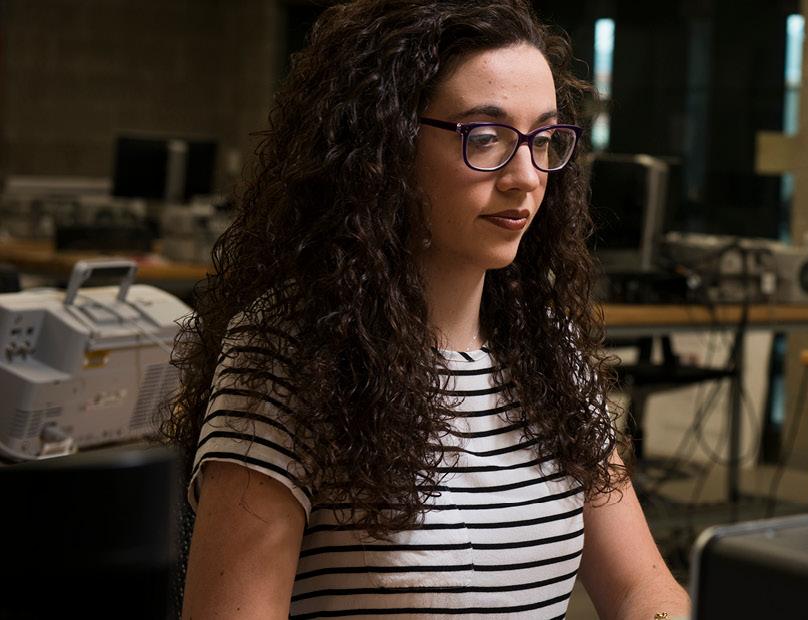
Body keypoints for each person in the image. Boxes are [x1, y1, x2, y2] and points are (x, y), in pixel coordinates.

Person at [161, 1, 690, 617]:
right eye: (486, 137)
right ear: (385, 148)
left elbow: (643, 587)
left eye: (544, 139)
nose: (526, 176)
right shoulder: (288, 356)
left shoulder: (549, 348)